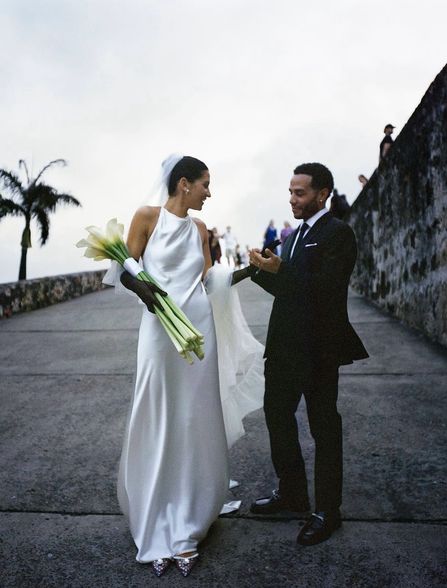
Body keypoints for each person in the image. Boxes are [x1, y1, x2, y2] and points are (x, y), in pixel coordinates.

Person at [108, 155, 263, 578]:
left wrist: (252, 269)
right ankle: (155, 519)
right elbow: (125, 268)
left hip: (199, 330)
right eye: (205, 184)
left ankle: (189, 521)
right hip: (159, 331)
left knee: (194, 418)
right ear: (183, 184)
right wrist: (148, 296)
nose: (209, 192)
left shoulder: (200, 230)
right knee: (157, 414)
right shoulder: (145, 217)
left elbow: (209, 281)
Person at [248, 162, 368, 547]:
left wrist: (282, 269)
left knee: (324, 428)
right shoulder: (293, 234)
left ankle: (327, 512)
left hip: (318, 349)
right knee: (277, 417)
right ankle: (293, 494)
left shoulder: (339, 234)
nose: (292, 199)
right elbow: (289, 290)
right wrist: (262, 272)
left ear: (322, 194)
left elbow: (328, 289)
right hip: (283, 347)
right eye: (290, 192)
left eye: (299, 193)